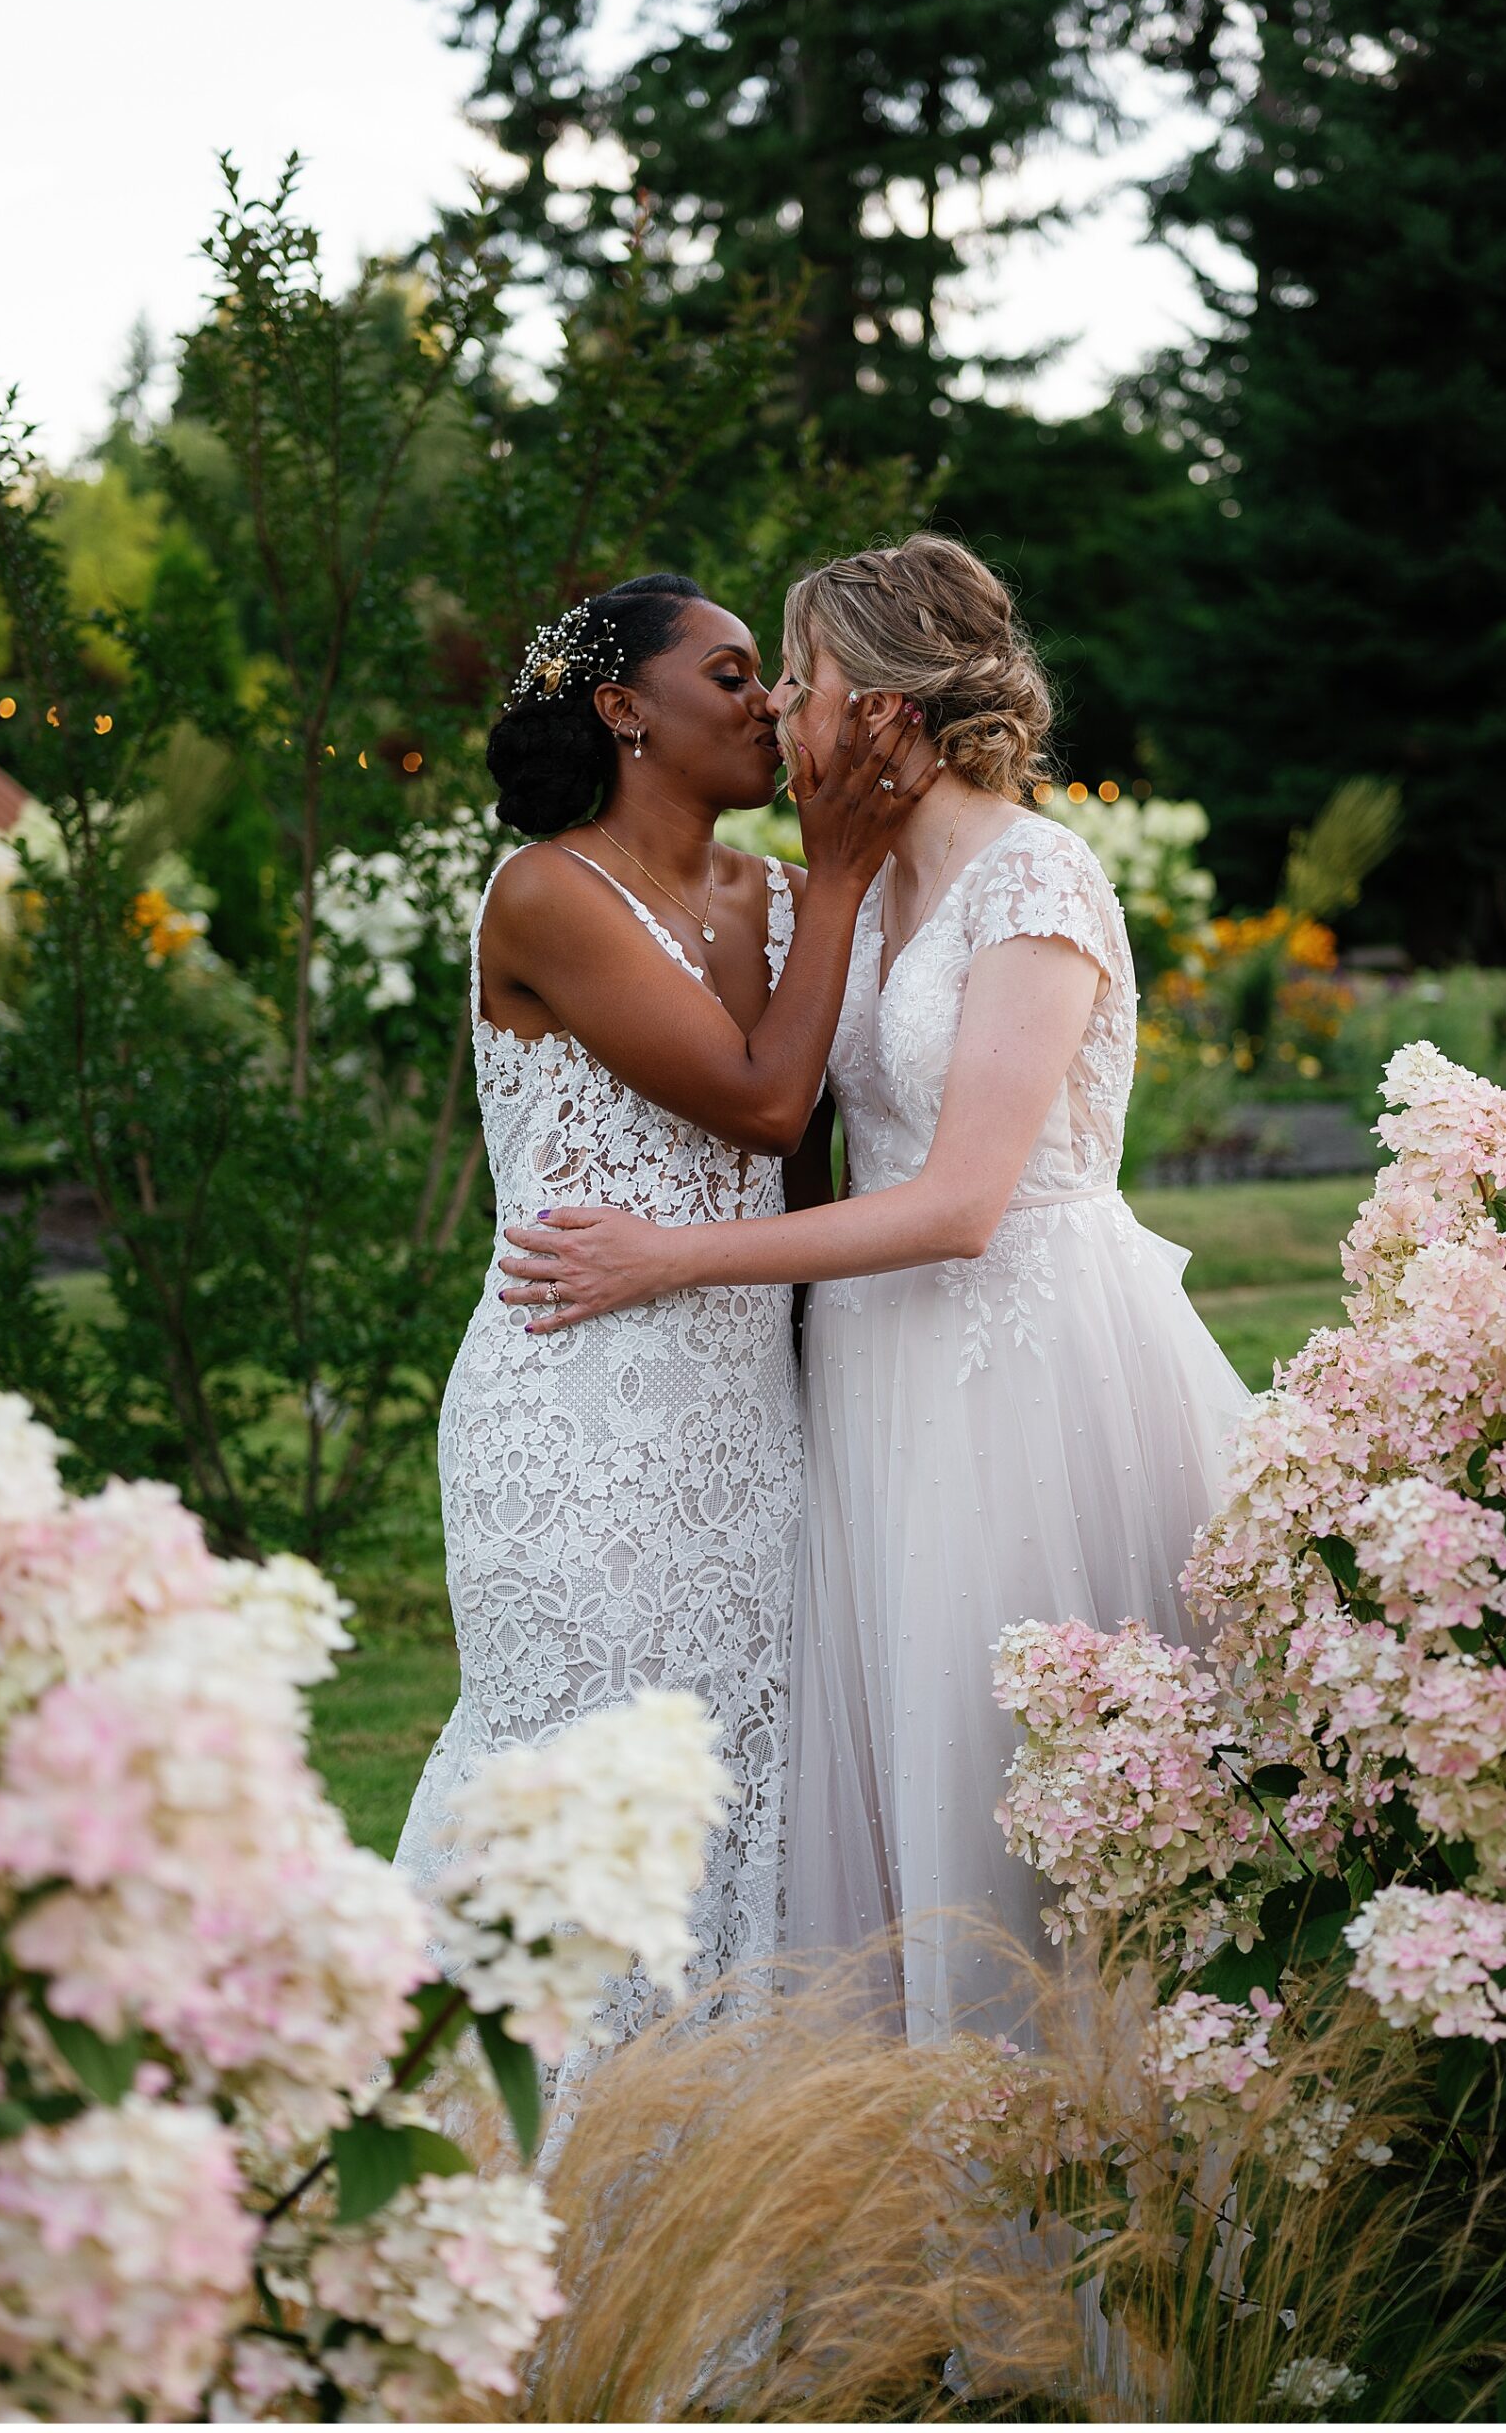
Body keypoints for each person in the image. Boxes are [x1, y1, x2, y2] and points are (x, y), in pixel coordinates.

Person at [499, 536, 1249, 2041]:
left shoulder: (1032, 874)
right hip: (874, 1377)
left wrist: (672, 1259)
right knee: (908, 1779)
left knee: (1038, 1775)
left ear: (890, 708)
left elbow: (965, 1202)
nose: (781, 702)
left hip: (1026, 1373)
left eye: (808, 673)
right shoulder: (858, 891)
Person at [393, 570, 935, 2074]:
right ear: (624, 708)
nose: (770, 702)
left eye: (771, 676)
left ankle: (700, 2235)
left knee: (735, 1806)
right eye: (732, 673)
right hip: (573, 1417)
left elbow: (809, 1170)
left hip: (742, 1422)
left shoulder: (770, 895)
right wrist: (838, 879)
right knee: (573, 1798)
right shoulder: (547, 893)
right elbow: (762, 1102)